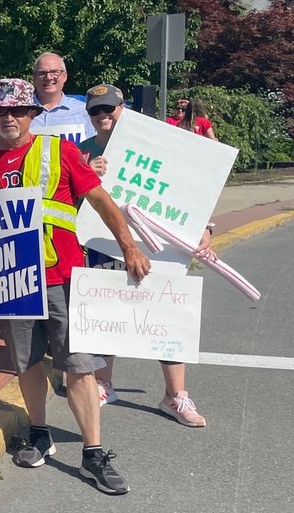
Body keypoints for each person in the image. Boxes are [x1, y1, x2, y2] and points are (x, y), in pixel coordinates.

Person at [0, 78, 151, 495]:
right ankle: (39, 434)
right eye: (1, 110)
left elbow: (102, 201)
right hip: (10, 283)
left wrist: (129, 247)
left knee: (80, 367)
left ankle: (93, 452)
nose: (9, 117)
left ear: (32, 113)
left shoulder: (60, 151)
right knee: (27, 363)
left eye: (17, 110)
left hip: (62, 278)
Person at [79, 84, 211, 427]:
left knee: (166, 318)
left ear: (124, 108)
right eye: (96, 110)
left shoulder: (159, 144)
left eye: (109, 108)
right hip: (103, 243)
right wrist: (88, 176)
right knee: (105, 313)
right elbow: (69, 203)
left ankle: (176, 396)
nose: (103, 115)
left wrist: (206, 228)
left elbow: (191, 188)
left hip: (158, 247)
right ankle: (104, 383)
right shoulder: (81, 153)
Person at [30, 52, 93, 141]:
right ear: (34, 78)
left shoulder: (84, 111)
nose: (48, 77)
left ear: (64, 76)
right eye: (42, 73)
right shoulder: (20, 112)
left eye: (55, 72)